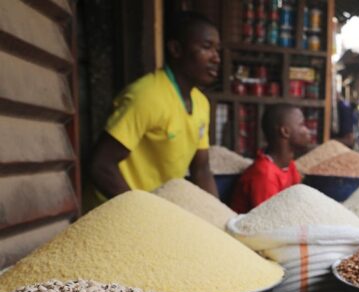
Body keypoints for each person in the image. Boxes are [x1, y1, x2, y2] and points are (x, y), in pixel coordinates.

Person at [90, 11, 220, 199]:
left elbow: (201, 169)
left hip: (157, 211)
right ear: (176, 49)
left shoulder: (201, 104)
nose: (216, 58)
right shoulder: (146, 96)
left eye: (217, 50)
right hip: (120, 213)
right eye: (207, 47)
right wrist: (141, 212)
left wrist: (219, 217)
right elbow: (101, 165)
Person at [230, 104, 310, 213]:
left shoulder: (288, 165)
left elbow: (298, 202)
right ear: (285, 132)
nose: (307, 130)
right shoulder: (264, 175)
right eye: (302, 124)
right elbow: (270, 222)